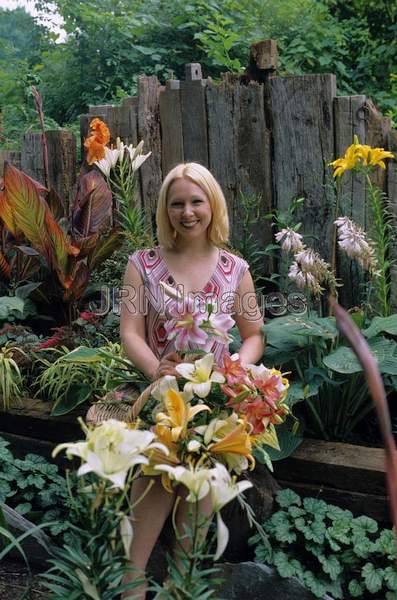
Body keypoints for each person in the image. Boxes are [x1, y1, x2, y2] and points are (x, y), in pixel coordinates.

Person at [120, 162, 264, 598]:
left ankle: (179, 581)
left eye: (196, 201)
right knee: (162, 459)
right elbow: (130, 331)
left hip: (216, 397)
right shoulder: (142, 265)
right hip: (163, 395)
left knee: (203, 462)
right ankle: (132, 579)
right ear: (165, 209)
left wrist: (237, 370)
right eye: (177, 203)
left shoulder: (235, 269)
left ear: (211, 205)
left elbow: (254, 333)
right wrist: (154, 369)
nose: (187, 212)